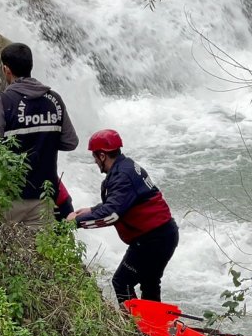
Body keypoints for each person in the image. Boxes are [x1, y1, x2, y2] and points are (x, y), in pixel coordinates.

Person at [68, 129, 179, 303]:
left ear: (103, 156)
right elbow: (122, 202)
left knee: (122, 281)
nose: (95, 161)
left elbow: (112, 214)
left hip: (153, 239)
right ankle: (152, 326)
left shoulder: (122, 175)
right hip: (162, 234)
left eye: (95, 157)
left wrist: (76, 222)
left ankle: (133, 326)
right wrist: (91, 210)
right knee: (149, 283)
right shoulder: (126, 166)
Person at [0, 42, 78, 226]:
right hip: (44, 196)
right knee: (38, 253)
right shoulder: (54, 99)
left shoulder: (3, 101)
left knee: (2, 251)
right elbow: (71, 142)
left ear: (6, 69)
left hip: (10, 197)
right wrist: (45, 139)